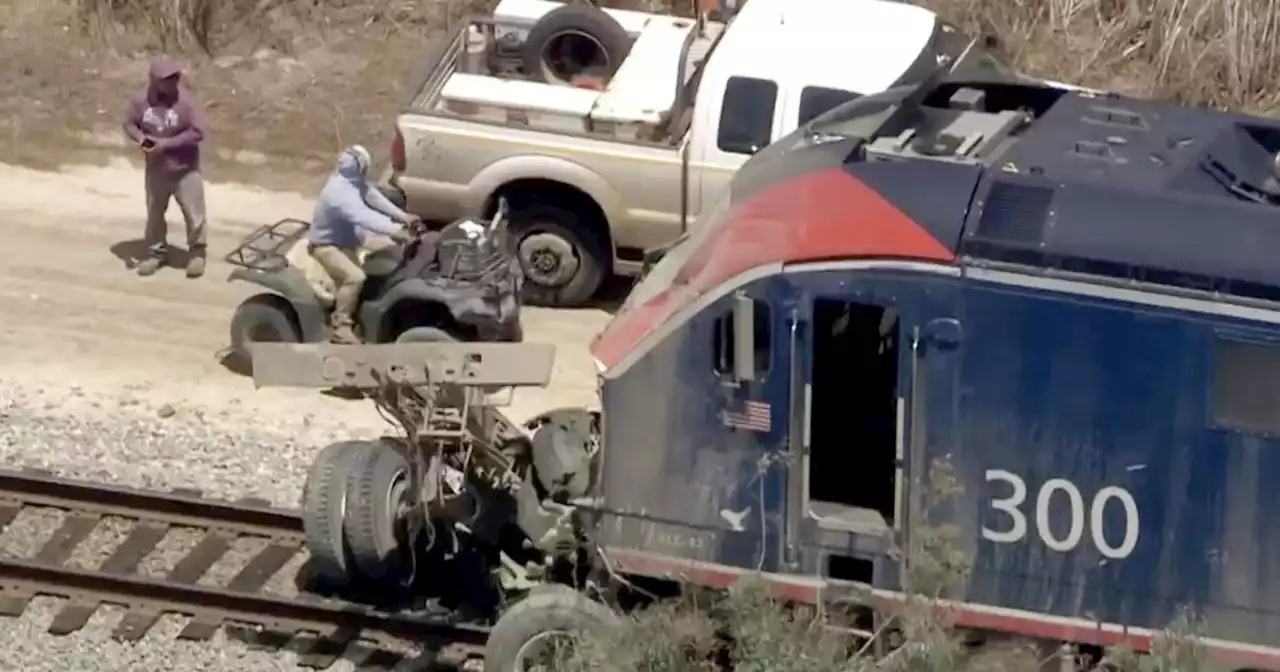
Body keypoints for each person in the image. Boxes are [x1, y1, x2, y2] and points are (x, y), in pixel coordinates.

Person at [309, 145, 419, 344]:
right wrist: (395, 230)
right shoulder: (338, 193)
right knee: (355, 278)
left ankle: (355, 315)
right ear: (360, 167)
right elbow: (364, 216)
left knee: (379, 265)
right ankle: (340, 327)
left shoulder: (351, 183)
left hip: (346, 243)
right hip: (327, 246)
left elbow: (372, 197)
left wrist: (403, 217)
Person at [123, 58, 209, 278]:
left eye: (175, 78)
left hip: (185, 169)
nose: (172, 83)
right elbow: (130, 124)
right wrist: (141, 139)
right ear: (153, 80)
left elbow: (198, 132)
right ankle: (156, 254)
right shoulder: (141, 101)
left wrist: (166, 144)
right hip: (156, 170)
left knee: (194, 215)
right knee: (154, 215)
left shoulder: (187, 102)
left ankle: (197, 254)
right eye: (166, 79)